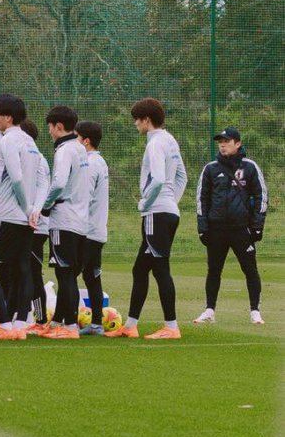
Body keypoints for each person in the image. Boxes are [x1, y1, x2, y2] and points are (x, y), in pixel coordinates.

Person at [106, 98, 187, 340]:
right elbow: (182, 176)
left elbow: (159, 179)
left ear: (147, 120)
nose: (135, 124)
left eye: (137, 120)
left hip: (157, 213)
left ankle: (171, 327)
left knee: (160, 269)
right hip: (167, 210)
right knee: (140, 269)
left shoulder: (155, 143)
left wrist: (148, 202)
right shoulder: (170, 140)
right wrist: (171, 201)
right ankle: (130, 325)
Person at [0, 94, 39, 341]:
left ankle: (3, 323)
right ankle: (20, 324)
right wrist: (31, 210)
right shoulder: (30, 143)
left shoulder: (7, 140)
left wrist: (25, 207)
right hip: (24, 218)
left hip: (7, 215)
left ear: (8, 117)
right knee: (22, 268)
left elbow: (15, 177)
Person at [193, 126, 267, 325]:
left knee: (250, 269)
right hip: (216, 229)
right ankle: (209, 310)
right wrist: (203, 227)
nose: (223, 144)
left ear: (238, 143)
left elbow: (261, 196)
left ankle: (255, 311)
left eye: (226, 141)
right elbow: (202, 199)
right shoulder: (210, 168)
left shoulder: (250, 167)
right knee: (213, 270)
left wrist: (257, 226)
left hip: (241, 229)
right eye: (220, 141)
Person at [41, 105, 90, 339]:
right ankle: (60, 320)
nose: (49, 132)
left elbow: (59, 182)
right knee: (67, 272)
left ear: (58, 126)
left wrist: (46, 205)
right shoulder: (81, 149)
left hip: (64, 218)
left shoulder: (64, 150)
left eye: (50, 127)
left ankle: (70, 326)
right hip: (80, 219)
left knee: (65, 272)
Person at [75, 120, 110, 336]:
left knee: (70, 275)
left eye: (76, 137)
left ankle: (65, 322)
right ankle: (96, 323)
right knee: (92, 277)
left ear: (86, 141)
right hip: (97, 230)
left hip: (86, 231)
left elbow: (84, 198)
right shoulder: (100, 161)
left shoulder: (90, 164)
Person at [18, 118, 50, 333]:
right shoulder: (32, 157)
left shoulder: (36, 159)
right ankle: (25, 315)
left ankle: (40, 320)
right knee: (22, 271)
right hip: (27, 222)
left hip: (35, 226)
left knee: (33, 272)